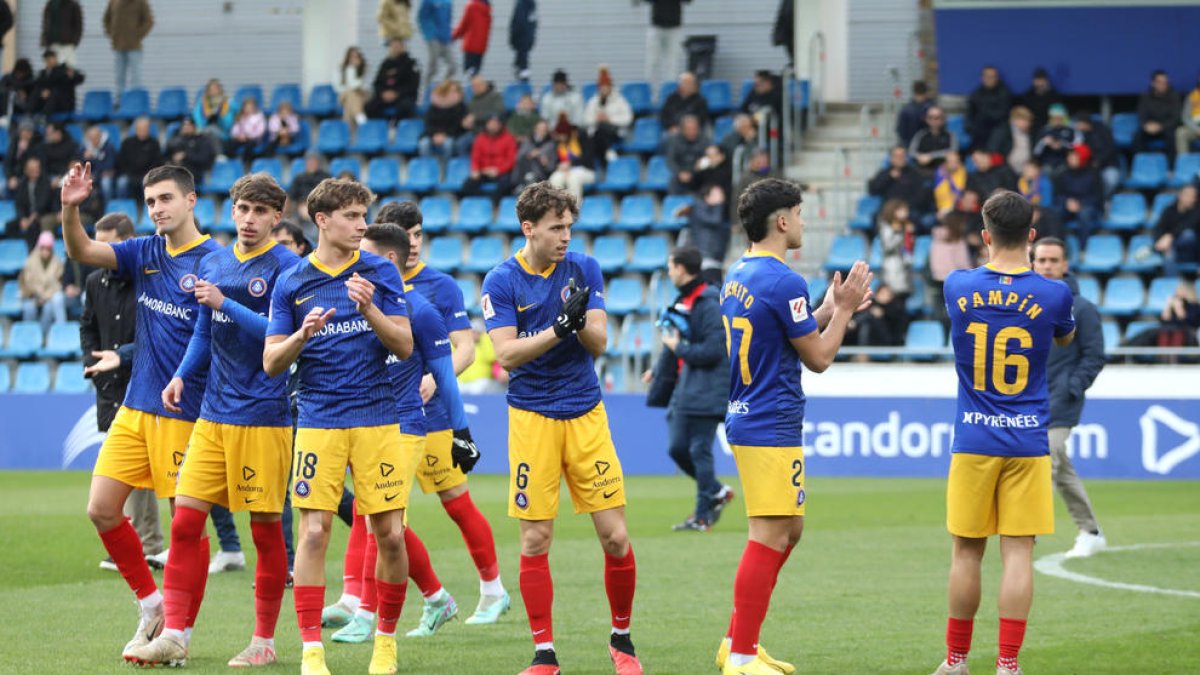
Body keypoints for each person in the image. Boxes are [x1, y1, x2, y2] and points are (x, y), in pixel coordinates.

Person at [125, 173, 300, 668]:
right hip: (212, 414)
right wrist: (182, 374)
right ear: (230, 210)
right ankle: (176, 635)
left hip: (263, 418)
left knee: (265, 529)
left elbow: (279, 337)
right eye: (242, 209)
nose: (248, 219)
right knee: (185, 520)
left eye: (260, 212)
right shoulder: (217, 260)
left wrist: (228, 304)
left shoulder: (289, 269)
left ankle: (263, 641)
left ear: (276, 217)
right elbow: (204, 328)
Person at [62, 162, 222, 663]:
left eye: (166, 199)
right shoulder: (145, 252)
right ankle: (151, 606)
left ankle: (179, 633)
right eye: (150, 201)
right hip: (136, 406)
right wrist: (71, 207)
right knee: (101, 509)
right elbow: (83, 250)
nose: (157, 209)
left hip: (185, 411)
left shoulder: (216, 261)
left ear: (191, 200)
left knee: (184, 528)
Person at [481, 182, 642, 675]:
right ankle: (544, 653)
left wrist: (580, 324)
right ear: (528, 229)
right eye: (556, 228)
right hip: (531, 416)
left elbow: (599, 341)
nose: (565, 236)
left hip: (585, 413)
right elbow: (505, 354)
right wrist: (558, 328)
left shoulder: (584, 268)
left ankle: (622, 640)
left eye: (569, 227)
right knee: (535, 540)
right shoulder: (500, 281)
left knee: (615, 536)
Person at [715, 178, 872, 675]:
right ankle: (740, 657)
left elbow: (782, 332)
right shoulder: (782, 280)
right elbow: (819, 358)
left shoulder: (740, 273)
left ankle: (738, 641)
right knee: (768, 534)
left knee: (790, 529)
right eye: (800, 213)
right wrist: (844, 311)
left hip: (751, 415)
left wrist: (824, 309)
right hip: (768, 421)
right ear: (782, 221)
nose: (803, 222)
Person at [263, 177, 413, 675]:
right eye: (351, 216)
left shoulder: (380, 272)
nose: (361, 224)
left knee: (390, 534)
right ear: (322, 220)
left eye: (363, 215)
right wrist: (302, 336)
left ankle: (385, 644)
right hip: (319, 419)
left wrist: (369, 308)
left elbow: (405, 346)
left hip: (377, 417)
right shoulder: (292, 283)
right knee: (313, 532)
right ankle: (312, 651)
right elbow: (270, 363)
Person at [932, 190, 1075, 675]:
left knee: (966, 552)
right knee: (1019, 553)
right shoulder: (1055, 293)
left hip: (973, 439)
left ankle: (955, 662)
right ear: (1031, 237)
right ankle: (1008, 666)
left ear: (985, 236)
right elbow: (1065, 335)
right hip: (1028, 440)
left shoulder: (957, 285)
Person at [82, 213, 165, 571]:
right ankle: (139, 544)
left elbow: (156, 332)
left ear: (128, 242)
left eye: (110, 244)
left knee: (155, 473)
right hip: (108, 383)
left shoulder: (147, 279)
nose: (103, 251)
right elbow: (87, 325)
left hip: (146, 382)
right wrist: (93, 361)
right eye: (98, 243)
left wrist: (123, 358)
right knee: (123, 472)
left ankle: (152, 544)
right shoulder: (94, 282)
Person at [1031, 237, 1107, 559]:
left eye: (1053, 261)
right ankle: (1090, 531)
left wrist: (1072, 387)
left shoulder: (1082, 309)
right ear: (1032, 263)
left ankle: (1027, 533)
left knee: (1044, 460)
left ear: (1065, 265)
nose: (1047, 266)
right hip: (1031, 400)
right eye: (1042, 260)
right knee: (1063, 469)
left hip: (1062, 400)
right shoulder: (1026, 302)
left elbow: (1094, 356)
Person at [654, 246, 733, 532]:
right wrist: (661, 369)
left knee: (699, 449)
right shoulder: (689, 300)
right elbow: (681, 343)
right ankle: (715, 491)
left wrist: (680, 348)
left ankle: (702, 515)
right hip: (689, 387)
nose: (669, 272)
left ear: (682, 268)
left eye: (671, 266)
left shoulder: (708, 302)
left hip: (709, 389)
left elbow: (714, 349)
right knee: (677, 448)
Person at [19, 230, 67, 336]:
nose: (45, 251)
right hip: (32, 296)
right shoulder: (30, 261)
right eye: (43, 248)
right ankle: (29, 335)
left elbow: (58, 285)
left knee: (49, 308)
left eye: (48, 248)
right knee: (29, 308)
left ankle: (44, 336)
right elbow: (26, 283)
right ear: (39, 247)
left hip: (48, 297)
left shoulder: (57, 262)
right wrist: (36, 296)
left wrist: (45, 297)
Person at [585, 66, 634, 166]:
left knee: (603, 127)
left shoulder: (619, 100)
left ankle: (606, 154)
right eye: (602, 87)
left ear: (610, 87)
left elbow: (628, 118)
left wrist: (609, 119)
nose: (604, 90)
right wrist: (596, 119)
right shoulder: (593, 101)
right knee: (596, 132)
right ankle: (608, 151)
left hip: (614, 132)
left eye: (606, 87)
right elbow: (586, 119)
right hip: (597, 134)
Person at [1053, 144, 1102, 245]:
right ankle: (1058, 244)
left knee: (1085, 214)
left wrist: (1080, 203)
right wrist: (1067, 201)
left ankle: (1083, 247)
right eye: (1069, 156)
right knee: (1055, 212)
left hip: (1087, 205)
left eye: (1074, 156)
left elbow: (1098, 197)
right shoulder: (1062, 173)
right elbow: (1058, 194)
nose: (1070, 159)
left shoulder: (1093, 174)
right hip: (1068, 203)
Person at [103, 0, 154, 96]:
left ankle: (136, 101)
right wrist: (112, 34)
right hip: (118, 45)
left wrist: (137, 35)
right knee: (119, 77)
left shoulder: (141, 2)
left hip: (134, 46)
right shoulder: (113, 2)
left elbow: (149, 21)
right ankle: (120, 101)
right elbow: (106, 20)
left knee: (136, 76)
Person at [365, 38, 420, 123]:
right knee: (369, 107)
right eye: (393, 46)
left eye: (398, 46)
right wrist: (383, 93)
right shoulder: (385, 64)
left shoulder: (411, 63)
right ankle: (383, 127)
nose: (395, 48)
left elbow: (413, 85)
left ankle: (398, 128)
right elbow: (377, 83)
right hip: (385, 96)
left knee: (405, 107)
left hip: (403, 96)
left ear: (403, 47)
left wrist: (397, 93)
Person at [9, 157, 57, 251]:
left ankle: (32, 253)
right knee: (9, 226)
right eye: (33, 168)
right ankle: (14, 251)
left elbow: (43, 204)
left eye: (38, 167)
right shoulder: (22, 184)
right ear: (27, 171)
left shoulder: (45, 182)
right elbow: (19, 204)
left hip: (41, 215)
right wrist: (22, 218)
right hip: (27, 216)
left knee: (33, 227)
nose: (37, 170)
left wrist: (30, 219)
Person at [868, 145, 931, 217]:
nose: (900, 159)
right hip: (889, 209)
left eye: (902, 156)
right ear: (891, 158)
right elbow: (872, 190)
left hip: (909, 209)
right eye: (896, 156)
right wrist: (889, 177)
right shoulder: (884, 173)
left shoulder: (915, 174)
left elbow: (921, 196)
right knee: (876, 216)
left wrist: (905, 207)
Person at [464, 114, 517, 197]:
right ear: (486, 125)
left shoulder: (509, 138)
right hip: (483, 170)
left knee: (507, 184)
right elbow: (475, 157)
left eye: (496, 124)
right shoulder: (480, 138)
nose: (493, 126)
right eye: (491, 124)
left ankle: (495, 202)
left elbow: (511, 159)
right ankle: (485, 200)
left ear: (500, 125)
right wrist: (475, 169)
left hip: (501, 171)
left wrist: (498, 170)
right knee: (467, 185)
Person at [1153, 184, 1200, 275]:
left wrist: (1170, 237)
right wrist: (1159, 241)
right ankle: (1174, 286)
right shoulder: (1169, 210)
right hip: (1173, 250)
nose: (1191, 199)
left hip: (1193, 252)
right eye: (1188, 195)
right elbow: (1159, 228)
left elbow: (1189, 224)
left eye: (1194, 196)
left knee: (1188, 235)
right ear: (1180, 195)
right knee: (1169, 254)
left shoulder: (1197, 211)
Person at [1135, 70, 1182, 160]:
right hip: (1149, 127)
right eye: (1160, 82)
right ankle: (1141, 165)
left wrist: (1161, 126)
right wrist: (1145, 125)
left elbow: (1176, 118)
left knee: (1173, 137)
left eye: (1165, 82)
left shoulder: (1174, 96)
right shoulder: (1145, 97)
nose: (1163, 85)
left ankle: (1171, 168)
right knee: (1137, 137)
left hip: (1166, 127)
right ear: (1153, 83)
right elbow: (1141, 114)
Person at [547, 117, 596, 201]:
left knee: (573, 178)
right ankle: (556, 208)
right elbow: (555, 162)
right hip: (563, 171)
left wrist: (570, 164)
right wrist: (559, 166)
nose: (561, 136)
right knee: (555, 178)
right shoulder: (557, 144)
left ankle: (573, 210)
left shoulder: (583, 139)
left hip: (585, 170)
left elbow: (587, 159)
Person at [1072, 112, 1120, 196]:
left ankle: (1104, 199)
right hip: (1090, 166)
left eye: (1079, 124)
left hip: (1108, 164)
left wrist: (1099, 160)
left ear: (1085, 123)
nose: (1077, 126)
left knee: (1111, 180)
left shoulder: (1103, 130)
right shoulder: (1080, 135)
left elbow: (1110, 149)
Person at [965, 66, 1012, 153]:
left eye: (993, 77)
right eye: (987, 76)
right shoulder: (976, 93)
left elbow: (1003, 113)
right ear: (982, 78)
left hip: (997, 127)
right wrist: (969, 127)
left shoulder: (1004, 92)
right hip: (980, 128)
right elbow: (969, 112)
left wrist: (985, 116)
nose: (990, 79)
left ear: (997, 78)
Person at [418, 79, 469, 158]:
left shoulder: (461, 107)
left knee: (448, 144)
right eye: (450, 91)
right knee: (423, 144)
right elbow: (429, 123)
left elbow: (458, 126)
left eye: (455, 91)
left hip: (451, 136)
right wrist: (434, 135)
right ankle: (428, 168)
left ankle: (447, 168)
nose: (452, 94)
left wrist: (445, 135)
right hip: (433, 134)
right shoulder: (434, 106)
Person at [644, 0, 691, 86]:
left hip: (674, 27)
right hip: (656, 26)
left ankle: (670, 93)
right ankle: (650, 94)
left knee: (672, 63)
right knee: (653, 62)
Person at [117, 117, 163, 198]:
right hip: (130, 174)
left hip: (148, 173)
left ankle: (149, 206)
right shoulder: (127, 142)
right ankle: (123, 206)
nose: (143, 131)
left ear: (148, 129)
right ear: (136, 129)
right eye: (140, 129)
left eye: (145, 129)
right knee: (122, 183)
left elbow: (157, 162)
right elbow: (122, 161)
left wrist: (148, 173)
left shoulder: (154, 143)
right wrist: (128, 173)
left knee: (150, 183)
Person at [31, 48, 85, 117]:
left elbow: (80, 77)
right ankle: (29, 114)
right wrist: (42, 91)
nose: (51, 61)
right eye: (48, 60)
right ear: (45, 61)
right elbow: (37, 83)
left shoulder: (64, 70)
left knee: (55, 92)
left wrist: (73, 76)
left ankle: (44, 116)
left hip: (63, 103)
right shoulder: (43, 73)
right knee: (37, 91)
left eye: (52, 59)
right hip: (48, 102)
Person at [666, 114, 708, 195]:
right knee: (672, 182)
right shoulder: (674, 140)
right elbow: (670, 160)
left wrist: (698, 167)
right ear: (682, 130)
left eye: (694, 129)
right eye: (689, 129)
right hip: (680, 173)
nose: (692, 132)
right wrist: (679, 173)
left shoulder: (704, 140)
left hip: (698, 173)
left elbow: (708, 158)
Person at [418, 0, 456, 87]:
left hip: (445, 38)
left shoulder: (448, 2)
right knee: (434, 66)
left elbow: (448, 19)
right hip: (433, 37)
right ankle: (425, 90)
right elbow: (422, 17)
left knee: (453, 66)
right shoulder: (427, 1)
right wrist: (429, 34)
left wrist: (449, 35)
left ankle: (442, 89)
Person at [909, 106, 958, 173]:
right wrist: (919, 157)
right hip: (922, 169)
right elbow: (911, 151)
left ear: (942, 119)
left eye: (937, 118)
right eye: (930, 117)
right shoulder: (920, 135)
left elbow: (953, 151)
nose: (933, 120)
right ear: (926, 119)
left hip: (944, 171)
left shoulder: (950, 135)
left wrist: (930, 156)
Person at [1032, 104, 1078, 174]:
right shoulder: (1044, 130)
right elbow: (1036, 152)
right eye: (1054, 118)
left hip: (1064, 163)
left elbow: (1074, 147)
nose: (1057, 120)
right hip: (1047, 164)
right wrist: (1044, 142)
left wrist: (1061, 144)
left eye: (1059, 118)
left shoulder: (1069, 131)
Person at [987, 106, 1034, 175]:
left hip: (1026, 171)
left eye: (1029, 121)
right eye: (1025, 120)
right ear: (1015, 119)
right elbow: (993, 151)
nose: (1028, 124)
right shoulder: (1002, 132)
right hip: (1006, 171)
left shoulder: (1029, 134)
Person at [512, 119, 556, 190]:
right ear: (535, 129)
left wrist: (543, 161)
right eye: (539, 129)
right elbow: (518, 158)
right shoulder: (527, 141)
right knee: (526, 159)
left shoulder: (551, 145)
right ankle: (524, 182)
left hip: (541, 176)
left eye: (544, 130)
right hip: (524, 173)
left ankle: (529, 180)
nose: (542, 131)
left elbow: (551, 167)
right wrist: (530, 154)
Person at [288, 152, 331, 223]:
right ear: (306, 163)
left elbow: (329, 195)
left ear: (318, 163)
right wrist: (299, 206)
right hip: (301, 207)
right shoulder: (299, 178)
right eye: (309, 161)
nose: (312, 163)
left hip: (320, 206)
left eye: (314, 161)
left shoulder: (325, 177)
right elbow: (292, 196)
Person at [453, 0, 492, 78]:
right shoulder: (487, 8)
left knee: (470, 71)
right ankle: (477, 88)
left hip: (471, 45)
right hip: (481, 46)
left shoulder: (471, 6)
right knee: (475, 72)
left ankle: (474, 89)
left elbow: (464, 24)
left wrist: (453, 36)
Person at [1020, 68, 1063, 137]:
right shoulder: (1027, 96)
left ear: (1047, 81)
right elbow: (1025, 113)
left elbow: (1057, 114)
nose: (1040, 83)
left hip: (1050, 127)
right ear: (1033, 81)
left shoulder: (1054, 95)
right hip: (1033, 126)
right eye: (1038, 80)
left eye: (1042, 80)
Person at [334, 46, 369, 129]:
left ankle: (346, 130)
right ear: (348, 57)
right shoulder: (341, 69)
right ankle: (362, 122)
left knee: (350, 103)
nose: (354, 59)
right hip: (344, 96)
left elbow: (366, 87)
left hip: (362, 96)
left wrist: (358, 71)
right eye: (352, 57)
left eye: (356, 57)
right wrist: (351, 69)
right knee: (351, 94)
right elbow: (338, 87)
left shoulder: (364, 69)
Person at [192, 79, 234, 148]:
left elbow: (228, 123)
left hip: (222, 132)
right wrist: (205, 119)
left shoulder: (227, 103)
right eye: (211, 89)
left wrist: (220, 115)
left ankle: (219, 155)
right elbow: (197, 117)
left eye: (216, 89)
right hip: (205, 130)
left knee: (210, 131)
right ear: (208, 91)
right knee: (207, 132)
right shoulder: (202, 103)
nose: (214, 91)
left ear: (220, 90)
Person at [40, 0, 83, 67]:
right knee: (52, 71)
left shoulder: (73, 5)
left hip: (68, 45)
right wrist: (45, 40)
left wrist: (74, 42)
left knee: (69, 70)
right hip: (53, 44)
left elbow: (78, 26)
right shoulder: (51, 4)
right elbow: (46, 24)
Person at [83, 124, 120, 199]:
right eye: (91, 139)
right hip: (92, 175)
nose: (94, 141)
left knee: (105, 182)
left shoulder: (109, 147)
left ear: (100, 136)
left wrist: (93, 158)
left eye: (96, 138)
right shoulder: (85, 148)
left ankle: (108, 205)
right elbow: (82, 164)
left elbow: (109, 166)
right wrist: (85, 158)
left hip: (107, 175)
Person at [226, 98, 266, 165]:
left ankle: (246, 164)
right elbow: (234, 130)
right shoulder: (240, 117)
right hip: (241, 138)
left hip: (253, 139)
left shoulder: (259, 117)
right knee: (231, 144)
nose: (248, 110)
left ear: (254, 108)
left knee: (249, 146)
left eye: (250, 108)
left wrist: (248, 135)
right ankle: (230, 162)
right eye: (246, 108)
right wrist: (238, 136)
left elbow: (260, 131)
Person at [896, 81, 934, 148]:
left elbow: (901, 131)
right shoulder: (933, 108)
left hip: (910, 146)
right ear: (926, 92)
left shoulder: (906, 110)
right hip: (930, 148)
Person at [509, 0, 537, 81]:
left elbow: (519, 22)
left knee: (521, 63)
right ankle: (523, 74)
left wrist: (513, 37)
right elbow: (534, 23)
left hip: (521, 38)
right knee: (522, 62)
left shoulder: (521, 4)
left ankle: (522, 76)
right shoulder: (532, 5)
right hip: (527, 38)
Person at [933, 151, 967, 217]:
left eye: (956, 161)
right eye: (950, 161)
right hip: (942, 207)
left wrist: (949, 178)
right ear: (945, 163)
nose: (954, 164)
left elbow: (958, 193)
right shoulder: (940, 173)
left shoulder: (962, 171)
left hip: (956, 207)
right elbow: (941, 194)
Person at [1175, 76, 1200, 158]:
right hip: (1195, 128)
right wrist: (1197, 129)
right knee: (1180, 133)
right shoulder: (1192, 96)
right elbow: (1185, 117)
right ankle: (1184, 163)